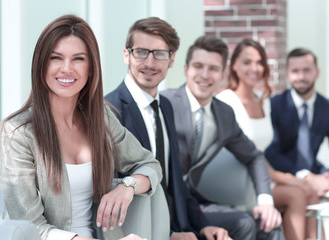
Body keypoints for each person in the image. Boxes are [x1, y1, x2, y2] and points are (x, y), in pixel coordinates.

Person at [0, 15, 162, 240]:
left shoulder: (100, 118)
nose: (67, 69)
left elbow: (149, 164)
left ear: (91, 68)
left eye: (78, 59)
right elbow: (31, 228)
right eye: (56, 58)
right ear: (41, 64)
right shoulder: (16, 133)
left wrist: (127, 186)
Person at [105, 17, 231, 240]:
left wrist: (204, 226)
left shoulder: (167, 108)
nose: (150, 63)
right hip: (140, 231)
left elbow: (175, 184)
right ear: (127, 54)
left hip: (177, 226)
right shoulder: (109, 111)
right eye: (141, 52)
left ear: (172, 59)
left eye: (159, 54)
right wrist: (170, 235)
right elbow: (109, 189)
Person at [162, 36, 284, 240]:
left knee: (269, 225)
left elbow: (254, 156)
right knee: (244, 224)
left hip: (195, 202)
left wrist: (265, 202)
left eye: (213, 68)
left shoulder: (224, 113)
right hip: (164, 205)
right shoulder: (165, 103)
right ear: (186, 70)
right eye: (198, 66)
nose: (204, 75)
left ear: (223, 74)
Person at [216, 39, 318, 240]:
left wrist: (297, 180)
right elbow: (245, 156)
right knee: (296, 193)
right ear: (234, 65)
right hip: (238, 182)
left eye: (259, 62)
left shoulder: (263, 101)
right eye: (247, 62)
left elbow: (261, 154)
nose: (255, 68)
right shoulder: (226, 101)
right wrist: (291, 179)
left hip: (261, 177)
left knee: (310, 193)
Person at [264, 48, 329, 195]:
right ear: (287, 74)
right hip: (280, 178)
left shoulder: (326, 107)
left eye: (307, 70)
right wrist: (305, 176)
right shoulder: (274, 106)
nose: (301, 77)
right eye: (295, 71)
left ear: (317, 73)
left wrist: (326, 174)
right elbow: (271, 153)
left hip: (314, 177)